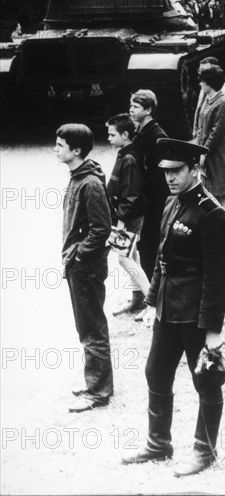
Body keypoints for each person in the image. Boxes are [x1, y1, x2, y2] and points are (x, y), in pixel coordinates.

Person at [122, 138, 225, 477]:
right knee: (155, 372)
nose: (170, 178)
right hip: (168, 307)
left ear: (195, 169)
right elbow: (161, 258)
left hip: (195, 311)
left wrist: (213, 331)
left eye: (177, 171)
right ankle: (158, 444)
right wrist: (152, 301)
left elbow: (219, 277)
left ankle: (205, 450)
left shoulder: (211, 213)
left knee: (205, 380)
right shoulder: (172, 203)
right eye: (166, 171)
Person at [54, 124, 113, 413]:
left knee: (92, 327)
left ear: (76, 150)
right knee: (86, 325)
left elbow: (101, 228)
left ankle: (99, 390)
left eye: (60, 144)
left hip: (85, 267)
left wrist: (79, 255)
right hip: (79, 265)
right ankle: (94, 382)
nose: (55, 148)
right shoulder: (79, 176)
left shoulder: (88, 183)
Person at [106, 113, 150, 318]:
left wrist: (121, 221)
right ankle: (138, 300)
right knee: (131, 256)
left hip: (129, 217)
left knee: (124, 258)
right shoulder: (125, 153)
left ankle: (151, 302)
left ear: (125, 135)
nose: (108, 138)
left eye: (112, 134)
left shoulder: (130, 158)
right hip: (125, 216)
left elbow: (131, 194)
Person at [129, 89, 169, 281]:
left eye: (136, 107)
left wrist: (141, 187)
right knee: (137, 246)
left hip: (153, 200)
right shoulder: (140, 131)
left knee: (149, 245)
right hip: (142, 198)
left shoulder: (156, 135)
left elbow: (161, 170)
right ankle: (142, 293)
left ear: (148, 110)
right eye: (131, 106)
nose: (131, 110)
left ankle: (151, 292)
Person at [193, 66, 225, 216]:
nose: (200, 84)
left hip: (218, 152)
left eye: (202, 81)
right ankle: (214, 216)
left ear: (210, 83)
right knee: (209, 184)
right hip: (209, 150)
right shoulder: (209, 99)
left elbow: (216, 132)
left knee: (221, 186)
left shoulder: (221, 102)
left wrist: (204, 151)